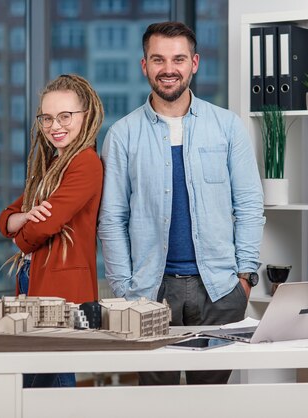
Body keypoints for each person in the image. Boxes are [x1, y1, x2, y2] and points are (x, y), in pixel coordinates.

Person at [97, 22, 265, 385]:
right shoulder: (122, 135)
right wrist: (126, 291)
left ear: (194, 63)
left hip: (220, 290)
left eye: (178, 59)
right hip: (149, 294)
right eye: (158, 59)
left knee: (211, 399)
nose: (168, 68)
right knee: (158, 400)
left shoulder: (227, 127)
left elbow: (250, 205)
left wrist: (246, 277)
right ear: (144, 66)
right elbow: (112, 219)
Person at [0, 74, 104, 387]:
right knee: (38, 385)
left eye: (65, 116)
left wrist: (22, 227)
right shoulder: (52, 166)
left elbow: (39, 230)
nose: (54, 126)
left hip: (65, 292)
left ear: (86, 116)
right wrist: (22, 219)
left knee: (50, 387)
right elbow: (5, 217)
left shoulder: (85, 163)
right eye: (47, 118)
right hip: (37, 281)